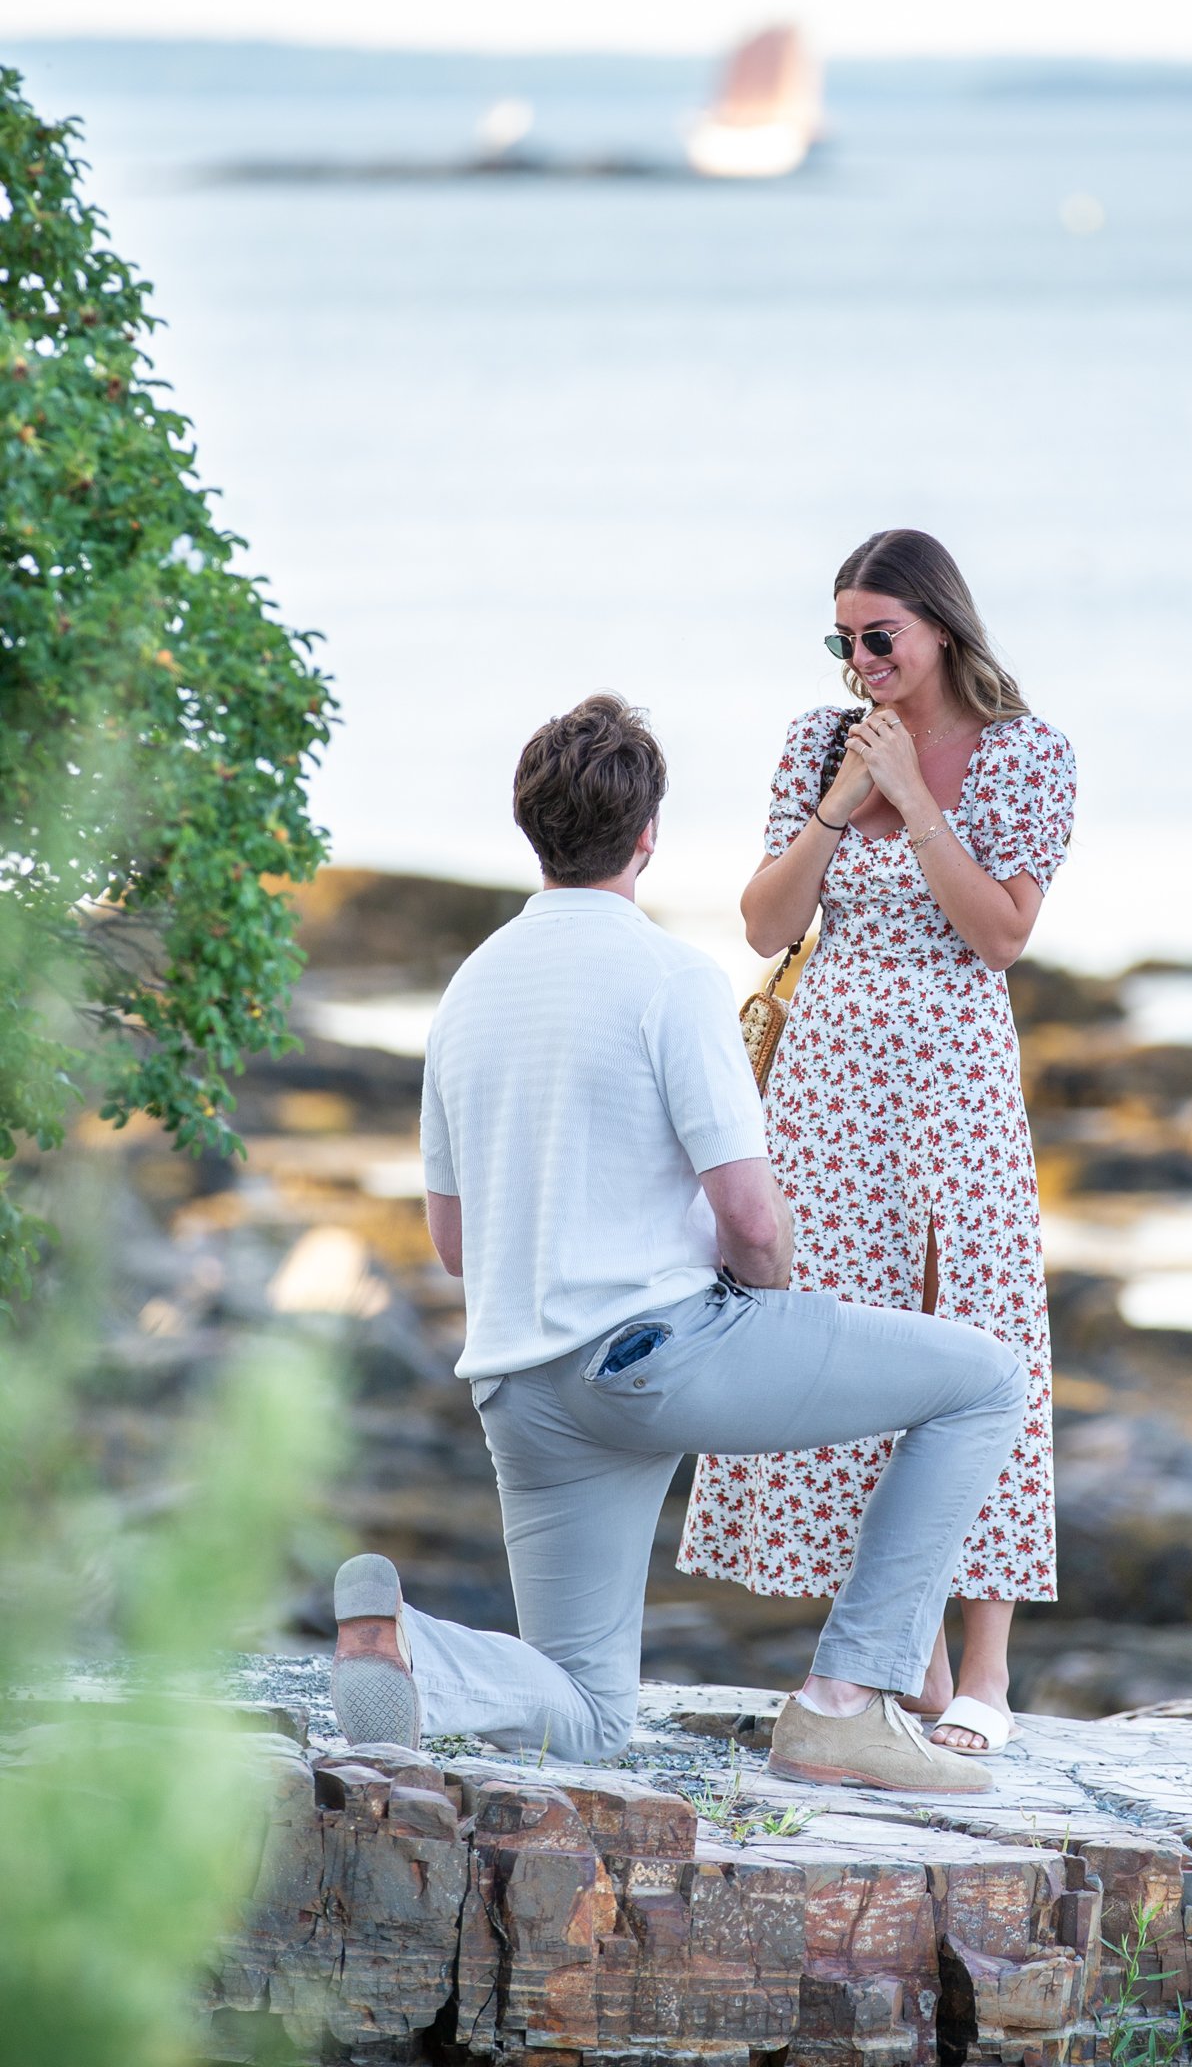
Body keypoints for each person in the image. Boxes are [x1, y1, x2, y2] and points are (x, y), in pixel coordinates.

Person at [329, 691, 1026, 1794]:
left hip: (521, 1393)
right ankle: (845, 1701)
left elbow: (453, 1242)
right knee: (986, 1379)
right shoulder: (671, 979)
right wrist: (771, 1296)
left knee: (595, 1718)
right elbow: (750, 1221)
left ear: (531, 831)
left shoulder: (466, 993)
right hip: (656, 1360)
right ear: (647, 835)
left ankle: (418, 1652)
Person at [679, 531, 1075, 1757]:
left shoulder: (1027, 757)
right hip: (827, 1095)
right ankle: (903, 1663)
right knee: (853, 1354)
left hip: (952, 1090)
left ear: (939, 630)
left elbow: (999, 935)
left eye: (880, 638)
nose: (861, 661)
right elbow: (761, 924)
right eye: (844, 640)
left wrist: (914, 801)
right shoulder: (817, 744)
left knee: (983, 1333)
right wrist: (843, 805)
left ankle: (989, 1677)